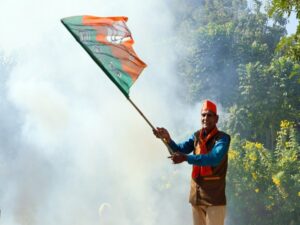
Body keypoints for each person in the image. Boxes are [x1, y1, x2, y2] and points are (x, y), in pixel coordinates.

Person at [153, 100, 230, 225]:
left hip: (214, 200)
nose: (205, 118)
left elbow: (214, 158)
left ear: (216, 119)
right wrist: (167, 139)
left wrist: (186, 158)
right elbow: (179, 150)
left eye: (209, 115)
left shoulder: (223, 138)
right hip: (196, 198)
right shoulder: (196, 136)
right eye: (203, 115)